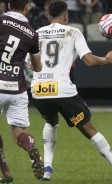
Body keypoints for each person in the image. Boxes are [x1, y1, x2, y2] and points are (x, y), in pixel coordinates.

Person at [29, 1, 112, 182]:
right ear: (66, 16)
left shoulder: (37, 33)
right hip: (63, 91)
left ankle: (47, 171)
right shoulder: (73, 32)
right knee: (88, 128)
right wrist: (107, 59)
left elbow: (31, 63)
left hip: (39, 90)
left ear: (48, 17)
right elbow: (89, 61)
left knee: (50, 122)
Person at [0, 0, 44, 183]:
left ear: (9, 5)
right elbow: (37, 66)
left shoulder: (1, 22)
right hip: (17, 89)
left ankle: (6, 172)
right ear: (27, 7)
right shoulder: (32, 34)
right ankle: (31, 147)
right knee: (19, 132)